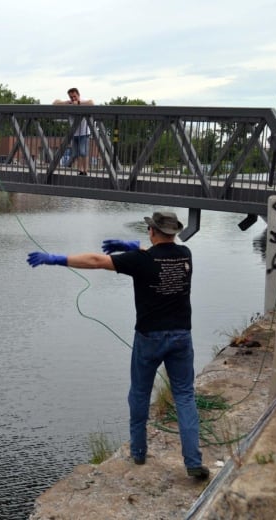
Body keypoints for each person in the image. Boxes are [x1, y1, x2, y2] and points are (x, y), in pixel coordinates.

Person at [25, 210, 210, 481]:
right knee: (184, 396)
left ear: (152, 231)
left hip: (149, 338)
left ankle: (138, 451)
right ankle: (193, 461)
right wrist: (130, 246)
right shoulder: (185, 255)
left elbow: (97, 260)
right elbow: (158, 253)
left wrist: (57, 259)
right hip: (182, 336)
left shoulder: (142, 261)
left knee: (139, 393)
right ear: (173, 232)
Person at [53, 88, 94, 175]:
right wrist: (65, 103)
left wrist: (78, 103)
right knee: (76, 153)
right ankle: (80, 170)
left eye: (74, 96)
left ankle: (85, 170)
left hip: (84, 132)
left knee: (83, 151)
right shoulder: (69, 103)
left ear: (78, 95)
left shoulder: (83, 101)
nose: (73, 98)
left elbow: (91, 103)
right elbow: (54, 103)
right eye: (71, 97)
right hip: (74, 133)